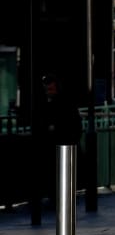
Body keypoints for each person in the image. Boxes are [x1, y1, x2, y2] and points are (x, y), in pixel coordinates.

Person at [31, 73, 82, 215]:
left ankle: (60, 197)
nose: (49, 92)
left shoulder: (65, 103)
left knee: (61, 174)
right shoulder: (42, 103)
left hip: (63, 145)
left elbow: (74, 126)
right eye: (47, 89)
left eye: (51, 89)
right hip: (49, 147)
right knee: (51, 174)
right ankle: (55, 197)